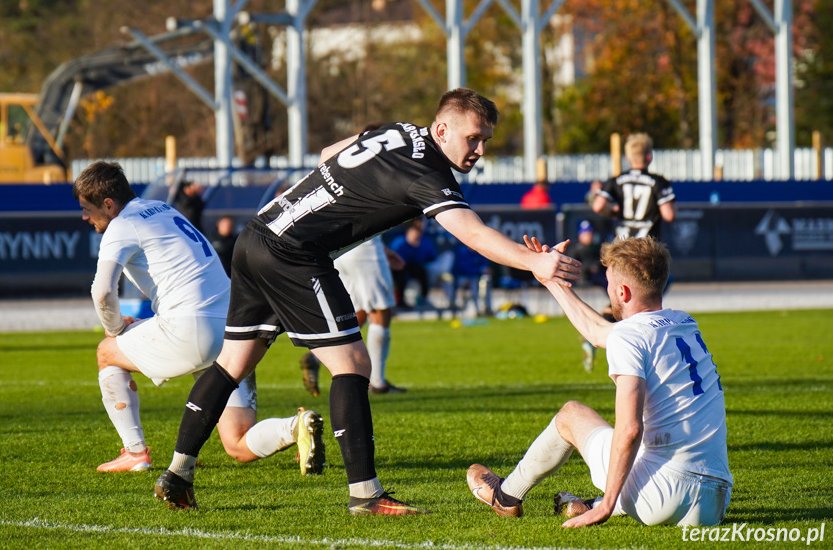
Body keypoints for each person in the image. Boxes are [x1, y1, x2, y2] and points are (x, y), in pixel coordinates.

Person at [152, 87, 582, 515]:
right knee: (354, 366)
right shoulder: (428, 172)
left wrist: (365, 226)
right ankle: (366, 495)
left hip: (256, 236)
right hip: (294, 254)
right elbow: (472, 233)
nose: (480, 150)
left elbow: (327, 154)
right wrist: (534, 263)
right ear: (443, 128)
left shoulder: (400, 131)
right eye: (473, 138)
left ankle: (177, 473)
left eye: (485, 140)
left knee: (232, 363)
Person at [73, 161, 324, 485]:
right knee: (237, 442)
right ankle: (296, 426)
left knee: (107, 352)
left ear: (108, 204)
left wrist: (115, 329)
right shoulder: (162, 209)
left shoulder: (122, 225)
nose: (84, 217)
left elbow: (103, 291)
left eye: (86, 208)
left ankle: (134, 453)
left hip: (191, 329)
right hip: (236, 327)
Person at [467, 237, 731, 528]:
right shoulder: (684, 323)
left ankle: (505, 496)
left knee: (572, 415)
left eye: (608, 284)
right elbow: (598, 332)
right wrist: (551, 280)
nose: (608, 291)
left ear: (622, 291)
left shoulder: (628, 336)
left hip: (665, 496)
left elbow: (630, 429)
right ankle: (582, 504)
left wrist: (605, 506)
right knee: (654, 445)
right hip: (715, 500)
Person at [300, 235, 408, 397]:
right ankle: (378, 382)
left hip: (341, 249)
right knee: (380, 311)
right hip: (366, 248)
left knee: (355, 313)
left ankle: (315, 356)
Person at [592, 133, 675, 240]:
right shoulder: (658, 182)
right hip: (647, 246)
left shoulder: (617, 180)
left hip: (622, 245)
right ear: (649, 157)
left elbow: (597, 206)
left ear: (628, 157)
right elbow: (669, 215)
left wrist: (613, 212)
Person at [566, 219, 610, 373]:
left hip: (602, 279)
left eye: (590, 233)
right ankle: (592, 339)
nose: (588, 236)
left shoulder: (598, 249)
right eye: (585, 234)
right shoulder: (576, 250)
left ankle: (591, 340)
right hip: (586, 279)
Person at [389, 217, 438, 308]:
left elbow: (429, 258)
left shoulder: (422, 242)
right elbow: (394, 260)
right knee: (400, 276)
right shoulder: (400, 242)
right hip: (399, 268)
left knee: (422, 272)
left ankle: (424, 298)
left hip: (413, 267)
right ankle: (400, 301)